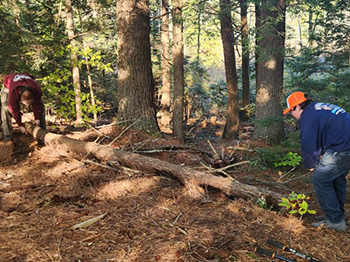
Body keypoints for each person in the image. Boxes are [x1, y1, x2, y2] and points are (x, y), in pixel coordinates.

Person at [283, 91, 350, 231]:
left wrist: (311, 164)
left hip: (340, 149)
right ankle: (336, 215)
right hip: (344, 146)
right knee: (337, 179)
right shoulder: (317, 108)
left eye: (291, 111)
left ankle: (335, 221)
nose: (291, 115)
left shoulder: (307, 117)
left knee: (320, 180)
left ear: (297, 107)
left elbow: (308, 144)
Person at [1, 73, 46, 141]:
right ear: (20, 98)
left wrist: (37, 118)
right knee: (5, 109)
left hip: (27, 81)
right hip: (8, 86)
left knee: (41, 106)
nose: (27, 106)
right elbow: (14, 110)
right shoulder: (14, 93)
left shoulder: (37, 90)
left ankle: (42, 133)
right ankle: (7, 136)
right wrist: (20, 125)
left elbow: (37, 105)